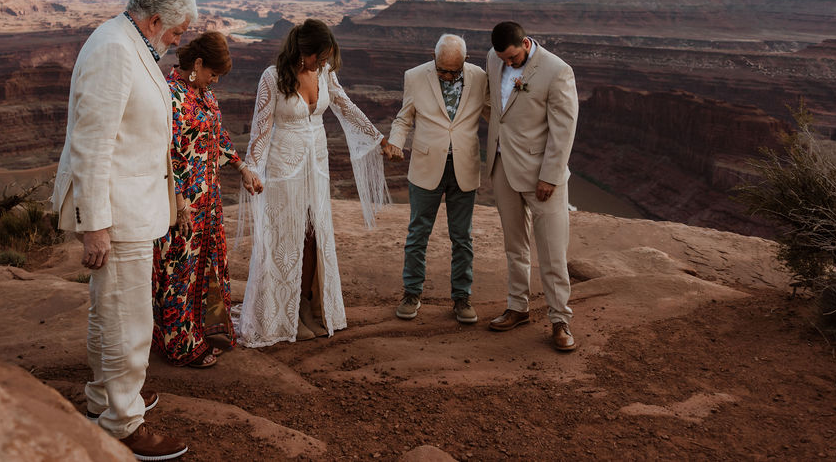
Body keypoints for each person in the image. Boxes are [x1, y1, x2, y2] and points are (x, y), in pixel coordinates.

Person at [52, 0, 197, 460]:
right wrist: (95, 223)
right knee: (128, 318)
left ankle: (102, 401)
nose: (179, 39)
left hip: (132, 204)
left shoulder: (130, 41)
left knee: (108, 308)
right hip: (117, 211)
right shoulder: (115, 49)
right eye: (177, 30)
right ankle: (122, 424)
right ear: (155, 20)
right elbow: (92, 145)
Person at [237, 18, 390, 347]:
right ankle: (280, 317)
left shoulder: (324, 73)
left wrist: (376, 139)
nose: (322, 64)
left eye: (325, 58)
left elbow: (345, 106)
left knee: (312, 239)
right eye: (318, 57)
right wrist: (251, 168)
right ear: (302, 51)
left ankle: (304, 308)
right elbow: (261, 127)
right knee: (284, 238)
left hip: (316, 166)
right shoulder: (273, 77)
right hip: (282, 169)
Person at [152, 31, 262, 368]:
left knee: (204, 269)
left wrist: (242, 167)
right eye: (212, 73)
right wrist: (180, 201)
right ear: (197, 64)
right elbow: (162, 153)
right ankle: (179, 345)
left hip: (208, 202)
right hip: (180, 204)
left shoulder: (203, 93)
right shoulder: (171, 97)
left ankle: (199, 331)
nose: (214, 80)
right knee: (178, 273)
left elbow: (218, 135)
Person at [484, 21, 580, 352]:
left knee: (552, 252)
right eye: (503, 59)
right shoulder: (493, 59)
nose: (507, 64)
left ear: (525, 44)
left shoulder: (557, 71)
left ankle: (560, 320)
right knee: (515, 246)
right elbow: (497, 110)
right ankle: (517, 307)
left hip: (542, 176)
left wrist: (550, 176)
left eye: (512, 58)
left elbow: (563, 128)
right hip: (502, 169)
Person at [385, 34, 489, 324]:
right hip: (426, 164)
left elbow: (496, 115)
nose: (446, 76)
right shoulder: (415, 76)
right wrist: (396, 142)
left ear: (465, 62)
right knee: (418, 233)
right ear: (434, 58)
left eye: (452, 71)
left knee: (462, 237)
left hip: (464, 166)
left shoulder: (480, 77)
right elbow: (404, 118)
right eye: (441, 69)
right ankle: (412, 293)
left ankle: (462, 298)